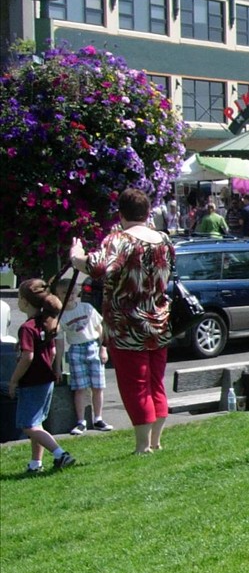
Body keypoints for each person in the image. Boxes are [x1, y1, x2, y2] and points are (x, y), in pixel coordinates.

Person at [70, 188, 173, 455]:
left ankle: (142, 446)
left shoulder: (119, 239)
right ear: (148, 212)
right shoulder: (163, 239)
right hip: (159, 322)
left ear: (121, 214)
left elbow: (96, 267)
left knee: (135, 386)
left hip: (126, 325)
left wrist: (75, 255)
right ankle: (155, 441)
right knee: (155, 382)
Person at [7, 279, 75, 473]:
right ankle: (35, 463)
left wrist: (14, 380)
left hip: (31, 382)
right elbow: (51, 352)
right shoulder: (47, 323)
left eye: (19, 298)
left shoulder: (27, 328)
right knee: (37, 423)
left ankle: (60, 454)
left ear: (25, 302)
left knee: (28, 425)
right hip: (46, 380)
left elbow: (27, 357)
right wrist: (52, 368)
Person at [52, 277, 111, 435]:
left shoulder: (86, 308)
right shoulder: (60, 317)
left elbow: (100, 329)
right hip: (75, 349)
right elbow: (59, 343)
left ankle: (98, 418)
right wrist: (58, 366)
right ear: (58, 295)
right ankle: (81, 421)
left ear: (77, 292)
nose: (69, 296)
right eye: (65, 293)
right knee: (80, 388)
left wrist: (103, 349)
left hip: (93, 346)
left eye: (72, 292)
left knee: (98, 386)